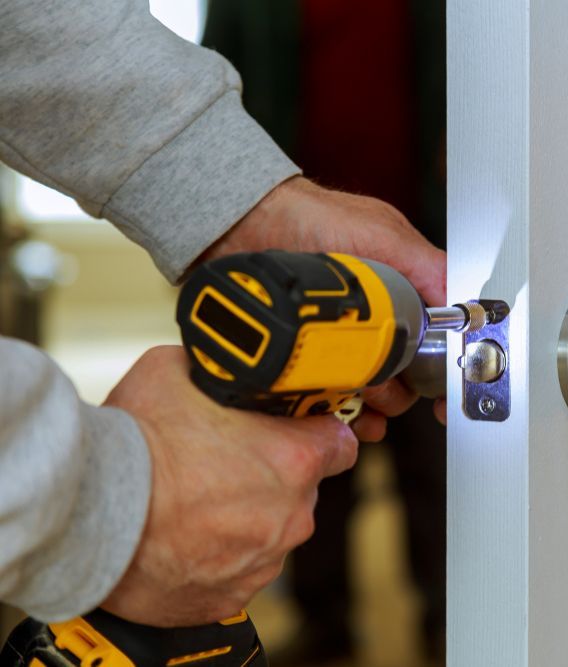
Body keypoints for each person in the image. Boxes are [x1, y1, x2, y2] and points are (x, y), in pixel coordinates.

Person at [0, 0, 445, 628]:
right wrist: (101, 500)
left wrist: (240, 199)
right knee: (324, 466)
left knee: (420, 468)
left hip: (381, 237)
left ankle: (444, 619)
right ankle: (326, 623)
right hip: (326, 254)